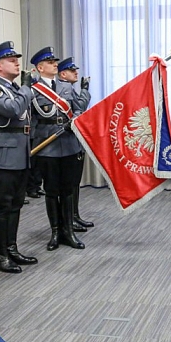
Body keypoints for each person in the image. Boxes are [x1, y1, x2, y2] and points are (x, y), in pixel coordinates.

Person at [0, 41, 37, 273]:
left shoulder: (14, 89)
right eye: (11, 60)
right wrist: (26, 88)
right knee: (2, 206)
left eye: (16, 59)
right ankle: (0, 254)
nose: (17, 63)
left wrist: (22, 89)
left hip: (19, 153)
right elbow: (13, 110)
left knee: (15, 205)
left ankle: (11, 248)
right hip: (1, 155)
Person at [30, 47, 85, 250]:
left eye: (55, 61)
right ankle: (55, 232)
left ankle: (68, 231)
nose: (55, 64)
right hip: (47, 145)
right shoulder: (33, 89)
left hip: (68, 143)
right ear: (40, 67)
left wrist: (76, 117)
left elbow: (78, 106)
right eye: (50, 62)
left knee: (68, 190)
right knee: (52, 191)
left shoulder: (66, 87)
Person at [57, 57, 93, 229]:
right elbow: (80, 107)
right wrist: (85, 91)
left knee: (74, 183)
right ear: (63, 74)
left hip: (74, 141)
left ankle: (75, 215)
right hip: (66, 141)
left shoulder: (69, 88)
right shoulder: (64, 88)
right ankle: (70, 218)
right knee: (70, 184)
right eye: (72, 71)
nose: (76, 73)